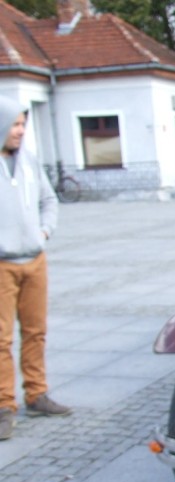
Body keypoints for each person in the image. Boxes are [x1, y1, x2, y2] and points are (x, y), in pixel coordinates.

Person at [0, 95, 71, 440]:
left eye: (22, 124)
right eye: (14, 124)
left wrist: (44, 231)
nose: (19, 131)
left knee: (35, 331)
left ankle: (37, 393)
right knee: (1, 339)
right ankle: (3, 406)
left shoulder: (29, 161)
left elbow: (49, 200)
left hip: (34, 260)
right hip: (2, 265)